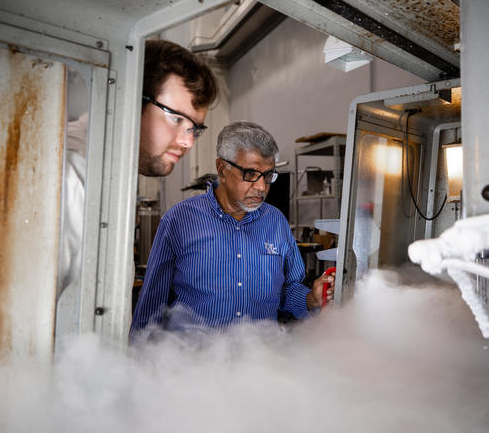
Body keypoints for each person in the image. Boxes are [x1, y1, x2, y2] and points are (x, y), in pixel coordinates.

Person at [57, 40, 218, 341]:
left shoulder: (108, 176)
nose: (187, 142)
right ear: (129, 99)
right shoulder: (67, 178)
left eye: (195, 128)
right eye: (176, 118)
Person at [130, 121, 334, 339]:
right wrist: (139, 357)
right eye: (250, 173)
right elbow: (152, 303)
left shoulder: (275, 222)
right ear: (222, 169)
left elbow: (288, 289)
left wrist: (310, 299)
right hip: (192, 363)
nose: (261, 187)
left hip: (258, 360)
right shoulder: (179, 220)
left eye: (268, 175)